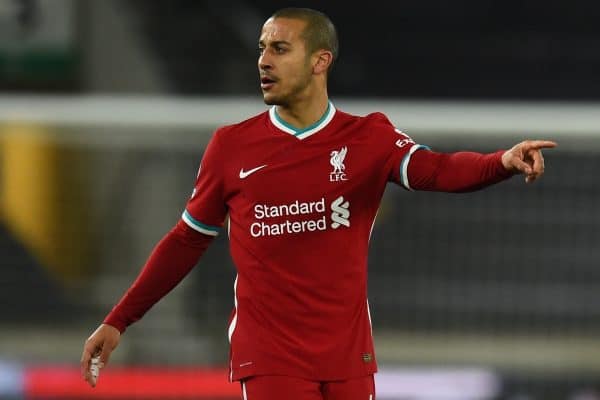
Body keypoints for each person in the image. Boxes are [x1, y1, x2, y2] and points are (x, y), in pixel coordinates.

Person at [80, 7, 556, 400]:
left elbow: (436, 170)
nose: (264, 60)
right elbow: (186, 240)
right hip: (269, 356)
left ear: (319, 61)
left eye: (280, 48)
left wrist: (501, 161)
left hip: (348, 355)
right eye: (262, 48)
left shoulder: (368, 137)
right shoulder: (231, 146)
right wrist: (120, 319)